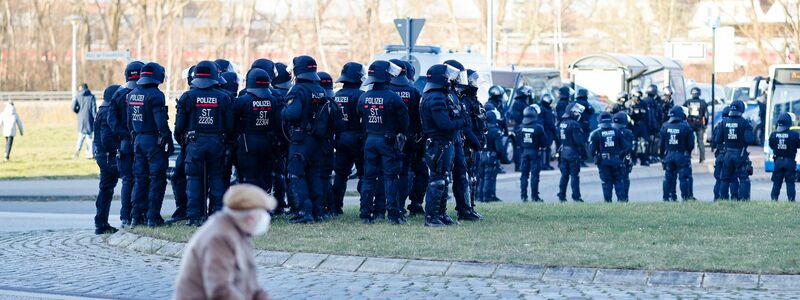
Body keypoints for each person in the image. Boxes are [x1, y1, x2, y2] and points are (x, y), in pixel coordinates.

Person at [174, 184, 275, 300]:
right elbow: (220, 290)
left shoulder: (240, 233)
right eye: (261, 213)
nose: (265, 218)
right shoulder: (219, 237)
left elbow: (252, 287)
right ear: (249, 217)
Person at [175, 60, 233, 226]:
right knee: (216, 178)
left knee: (194, 179)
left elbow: (179, 126)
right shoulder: (224, 97)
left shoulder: (188, 96)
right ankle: (217, 216)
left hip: (195, 143)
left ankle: (194, 217)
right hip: (217, 143)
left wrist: (183, 141)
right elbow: (230, 126)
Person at [357, 60, 409, 225]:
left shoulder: (363, 97)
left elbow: (361, 119)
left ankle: (365, 214)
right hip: (388, 141)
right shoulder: (393, 98)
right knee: (390, 177)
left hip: (370, 139)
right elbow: (404, 123)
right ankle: (393, 216)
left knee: (368, 177)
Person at [127, 62, 174, 227]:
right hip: (153, 141)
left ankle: (135, 217)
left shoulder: (132, 94)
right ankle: (153, 217)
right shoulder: (156, 95)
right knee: (157, 179)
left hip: (138, 140)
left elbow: (129, 121)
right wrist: (168, 139)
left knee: (139, 179)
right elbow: (161, 122)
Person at [282, 55, 327, 224]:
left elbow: (292, 114)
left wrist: (283, 111)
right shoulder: (319, 89)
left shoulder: (298, 90)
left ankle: (304, 212)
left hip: (300, 141)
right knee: (314, 174)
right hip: (316, 140)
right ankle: (318, 211)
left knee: (296, 174)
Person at [420, 64, 462, 227]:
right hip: (439, 143)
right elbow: (444, 124)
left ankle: (441, 214)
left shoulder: (434, 95)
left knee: (443, 179)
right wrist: (461, 121)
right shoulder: (436, 97)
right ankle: (431, 217)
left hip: (442, 143)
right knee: (437, 180)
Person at [232, 68, 281, 197]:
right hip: (268, 143)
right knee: (265, 175)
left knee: (250, 176)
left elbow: (232, 123)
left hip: (247, 143)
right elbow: (278, 123)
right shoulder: (274, 100)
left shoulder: (242, 101)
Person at [443, 59, 481, 222]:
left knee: (462, 176)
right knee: (442, 178)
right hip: (449, 140)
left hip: (457, 139)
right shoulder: (445, 94)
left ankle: (465, 210)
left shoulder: (454, 93)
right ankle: (439, 213)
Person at [108, 61, 145, 228]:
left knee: (127, 181)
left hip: (125, 144)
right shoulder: (145, 93)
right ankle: (139, 214)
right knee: (141, 179)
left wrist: (123, 134)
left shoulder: (118, 94)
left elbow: (111, 119)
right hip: (141, 143)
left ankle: (125, 216)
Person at [388, 59, 427, 216]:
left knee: (386, 174)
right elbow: (419, 119)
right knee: (406, 172)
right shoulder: (413, 92)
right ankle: (404, 205)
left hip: (386, 138)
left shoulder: (385, 89)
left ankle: (384, 207)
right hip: (409, 139)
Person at [332, 62, 366, 216]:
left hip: (340, 139)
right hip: (358, 139)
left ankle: (336, 207)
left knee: (340, 175)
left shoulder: (336, 95)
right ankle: (365, 207)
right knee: (364, 175)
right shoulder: (361, 96)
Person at [93, 85, 121, 235]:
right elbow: (106, 138)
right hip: (109, 157)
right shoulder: (106, 113)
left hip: (102, 156)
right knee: (132, 181)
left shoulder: (101, 110)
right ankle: (129, 218)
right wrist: (119, 149)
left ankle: (101, 223)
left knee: (105, 189)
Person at [715, 100, 755, 201]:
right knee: (743, 178)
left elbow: (717, 140)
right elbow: (750, 140)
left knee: (725, 178)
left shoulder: (723, 122)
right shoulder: (744, 123)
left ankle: (723, 200)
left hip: (727, 154)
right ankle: (744, 200)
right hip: (740, 154)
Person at [589, 112, 627, 203]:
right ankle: (622, 201)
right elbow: (625, 147)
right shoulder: (617, 132)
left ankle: (608, 202)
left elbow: (591, 151)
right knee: (619, 181)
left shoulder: (596, 134)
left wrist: (596, 156)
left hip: (603, 161)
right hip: (616, 160)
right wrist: (620, 155)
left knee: (606, 182)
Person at [660, 106, 695, 201]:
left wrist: (662, 157)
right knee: (684, 178)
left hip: (669, 155)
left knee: (668, 177)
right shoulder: (686, 127)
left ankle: (668, 197)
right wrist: (687, 152)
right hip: (682, 155)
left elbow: (661, 144)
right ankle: (686, 197)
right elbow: (691, 144)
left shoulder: (665, 126)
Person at [557, 103, 586, 202]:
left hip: (563, 151)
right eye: (577, 113)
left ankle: (561, 196)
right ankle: (576, 197)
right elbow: (578, 141)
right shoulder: (574, 125)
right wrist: (584, 153)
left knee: (564, 175)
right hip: (573, 152)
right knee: (574, 176)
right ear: (572, 113)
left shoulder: (562, 123)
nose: (578, 115)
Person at [518, 105, 546, 202]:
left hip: (524, 152)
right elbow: (544, 143)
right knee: (534, 175)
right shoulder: (538, 127)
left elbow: (518, 141)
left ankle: (523, 196)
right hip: (534, 152)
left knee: (524, 175)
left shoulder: (520, 127)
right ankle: (534, 197)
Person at [768, 112, 799, 201]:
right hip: (790, 162)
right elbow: (798, 145)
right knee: (790, 183)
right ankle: (791, 200)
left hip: (778, 161)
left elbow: (771, 145)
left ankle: (774, 200)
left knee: (776, 182)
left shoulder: (773, 134)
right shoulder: (794, 134)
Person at [478, 102, 504, 202]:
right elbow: (499, 148)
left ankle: (479, 196)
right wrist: (500, 156)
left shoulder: (481, 129)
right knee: (489, 177)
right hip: (491, 156)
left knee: (481, 177)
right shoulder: (495, 131)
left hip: (481, 154)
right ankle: (488, 197)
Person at [711, 107, 739, 200]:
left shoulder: (719, 126)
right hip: (732, 155)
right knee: (733, 178)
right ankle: (735, 198)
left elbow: (713, 143)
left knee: (719, 179)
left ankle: (718, 198)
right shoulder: (737, 125)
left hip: (721, 155)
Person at [508, 86, 534, 171]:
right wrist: (525, 120)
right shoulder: (517, 103)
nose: (528, 94)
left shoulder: (524, 102)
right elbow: (516, 117)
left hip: (524, 126)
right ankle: (518, 166)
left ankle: (523, 165)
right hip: (519, 127)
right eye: (527, 92)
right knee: (518, 147)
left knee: (524, 147)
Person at [612, 112, 633, 202]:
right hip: (624, 159)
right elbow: (629, 147)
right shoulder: (628, 133)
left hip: (613, 158)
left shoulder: (611, 130)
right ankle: (624, 198)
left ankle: (615, 198)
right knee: (624, 179)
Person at [684, 87, 709, 163]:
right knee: (700, 141)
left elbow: (683, 113)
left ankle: (687, 156)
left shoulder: (688, 102)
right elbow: (706, 115)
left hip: (690, 123)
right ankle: (702, 158)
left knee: (688, 140)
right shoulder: (703, 103)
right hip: (699, 123)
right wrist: (705, 124)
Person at [72, 83, 97, 159]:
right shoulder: (92, 97)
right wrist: (95, 119)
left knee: (80, 137)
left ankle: (77, 152)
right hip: (89, 120)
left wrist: (78, 112)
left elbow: (73, 107)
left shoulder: (77, 96)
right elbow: (94, 110)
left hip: (81, 120)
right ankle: (90, 154)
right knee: (89, 138)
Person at [629, 87, 651, 166]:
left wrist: (649, 126)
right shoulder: (629, 104)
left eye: (639, 96)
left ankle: (643, 160)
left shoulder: (643, 103)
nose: (637, 98)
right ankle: (633, 159)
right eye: (636, 96)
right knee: (633, 143)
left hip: (642, 124)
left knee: (644, 143)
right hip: (633, 125)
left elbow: (647, 116)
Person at [539, 94, 557, 170]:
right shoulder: (543, 110)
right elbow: (545, 122)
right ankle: (543, 165)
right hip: (545, 131)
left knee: (548, 148)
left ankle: (547, 164)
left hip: (549, 131)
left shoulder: (549, 110)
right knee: (544, 148)